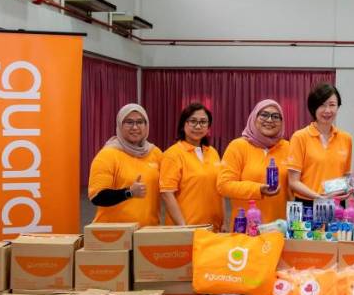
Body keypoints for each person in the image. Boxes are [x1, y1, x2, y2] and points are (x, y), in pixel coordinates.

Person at [217, 99, 291, 224]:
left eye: (276, 116)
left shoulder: (289, 148)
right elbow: (224, 186)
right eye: (264, 115)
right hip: (245, 228)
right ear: (254, 117)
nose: (269, 120)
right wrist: (258, 189)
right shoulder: (238, 146)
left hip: (280, 228)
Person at [88, 103, 163, 227]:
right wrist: (129, 192)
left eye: (140, 122)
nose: (135, 127)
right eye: (129, 122)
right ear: (119, 125)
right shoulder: (107, 155)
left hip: (148, 231)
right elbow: (97, 197)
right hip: (114, 235)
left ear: (146, 125)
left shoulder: (155, 153)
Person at [160, 102, 227, 231]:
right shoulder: (172, 154)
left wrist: (224, 222)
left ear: (208, 127)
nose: (198, 126)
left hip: (214, 229)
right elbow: (167, 194)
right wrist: (183, 227)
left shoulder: (212, 152)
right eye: (193, 121)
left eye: (203, 122)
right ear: (183, 125)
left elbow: (221, 189)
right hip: (187, 230)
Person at [287, 83, 353, 205]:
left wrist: (350, 187)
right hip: (308, 204)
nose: (327, 110)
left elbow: (345, 175)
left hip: (337, 204)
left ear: (338, 107)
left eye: (332, 105)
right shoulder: (299, 137)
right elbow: (293, 182)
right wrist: (319, 197)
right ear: (313, 108)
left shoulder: (346, 138)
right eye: (322, 105)